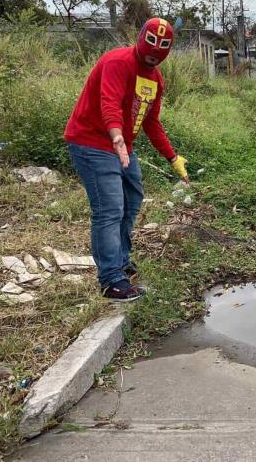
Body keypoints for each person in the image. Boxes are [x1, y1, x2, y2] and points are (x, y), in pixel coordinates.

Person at [64, 17, 189, 302]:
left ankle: (120, 261)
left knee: (131, 202)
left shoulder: (155, 78)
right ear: (139, 39)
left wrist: (172, 157)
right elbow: (109, 101)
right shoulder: (117, 62)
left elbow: (151, 122)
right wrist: (117, 136)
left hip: (122, 147)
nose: (151, 59)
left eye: (158, 55)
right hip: (92, 141)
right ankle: (110, 280)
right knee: (109, 209)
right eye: (148, 51)